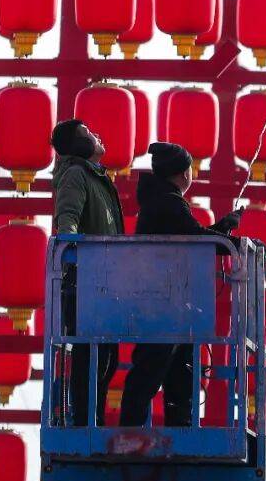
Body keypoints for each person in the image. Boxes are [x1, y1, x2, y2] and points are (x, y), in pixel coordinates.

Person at [118, 141, 240, 429]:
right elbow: (194, 237)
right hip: (163, 302)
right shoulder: (169, 202)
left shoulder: (159, 199)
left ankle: (142, 428)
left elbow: (191, 234)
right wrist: (235, 244)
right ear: (184, 173)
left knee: (172, 370)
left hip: (163, 300)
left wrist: (223, 228)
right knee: (156, 370)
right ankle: (141, 430)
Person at [52, 118, 124, 426]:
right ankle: (86, 422)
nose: (96, 134)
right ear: (78, 145)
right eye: (88, 133)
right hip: (88, 280)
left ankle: (93, 420)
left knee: (106, 358)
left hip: (104, 279)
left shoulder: (95, 176)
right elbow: (68, 216)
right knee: (91, 356)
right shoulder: (77, 174)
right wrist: (69, 249)